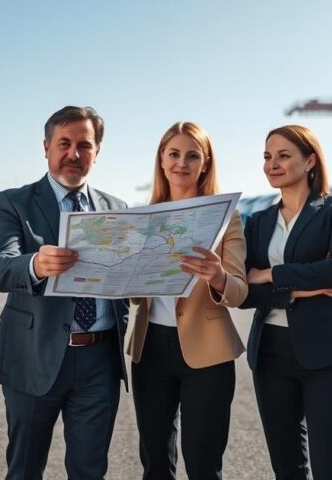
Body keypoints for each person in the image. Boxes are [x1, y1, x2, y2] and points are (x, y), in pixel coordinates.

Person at [0, 105, 128, 480]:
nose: (73, 154)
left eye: (84, 145)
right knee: (25, 468)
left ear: (97, 152)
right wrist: (35, 264)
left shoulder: (117, 209)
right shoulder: (14, 202)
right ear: (46, 147)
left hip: (99, 360)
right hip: (32, 356)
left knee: (89, 471)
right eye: (64, 143)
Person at [240, 124, 332, 480]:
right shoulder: (258, 222)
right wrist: (301, 287)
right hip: (270, 352)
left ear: (309, 160)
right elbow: (245, 291)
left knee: (331, 469)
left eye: (284, 156)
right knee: (287, 468)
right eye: (267, 157)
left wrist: (272, 274)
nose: (272, 164)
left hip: (328, 352)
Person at [126, 122, 248, 480]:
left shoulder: (227, 217)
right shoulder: (140, 219)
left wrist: (218, 276)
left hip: (208, 353)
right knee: (155, 465)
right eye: (174, 154)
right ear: (161, 160)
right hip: (149, 350)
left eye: (192, 155)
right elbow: (134, 297)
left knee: (204, 464)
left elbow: (239, 291)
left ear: (205, 163)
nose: (182, 162)